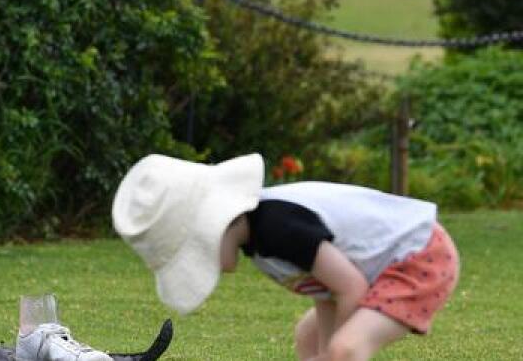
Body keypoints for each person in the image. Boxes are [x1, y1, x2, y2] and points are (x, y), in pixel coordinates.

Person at [111, 153, 459, 361]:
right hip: (378, 269)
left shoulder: (278, 227)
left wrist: (335, 349)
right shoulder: (258, 242)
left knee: (345, 349)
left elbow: (349, 287)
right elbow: (326, 291)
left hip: (419, 256)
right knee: (310, 339)